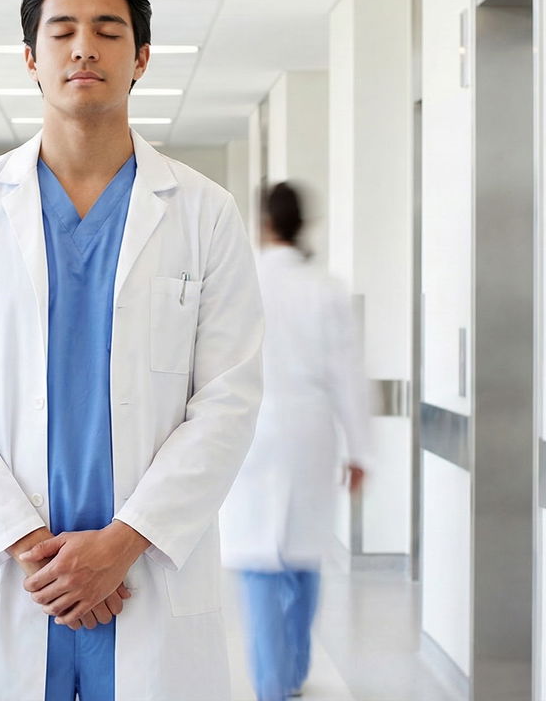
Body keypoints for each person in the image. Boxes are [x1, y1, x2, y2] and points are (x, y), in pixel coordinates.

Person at [0, 0, 265, 701]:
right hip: (13, 578)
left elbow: (228, 401)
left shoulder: (203, 214)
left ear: (142, 57)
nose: (83, 48)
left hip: (145, 578)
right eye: (62, 31)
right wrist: (38, 551)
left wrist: (123, 544)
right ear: (30, 57)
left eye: (107, 29)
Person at [218, 182, 371, 701]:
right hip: (310, 431)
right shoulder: (325, 288)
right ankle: (295, 671)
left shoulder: (241, 281)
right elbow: (348, 375)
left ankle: (271, 685)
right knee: (303, 552)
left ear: (263, 224)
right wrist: (360, 451)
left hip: (251, 429)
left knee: (259, 559)